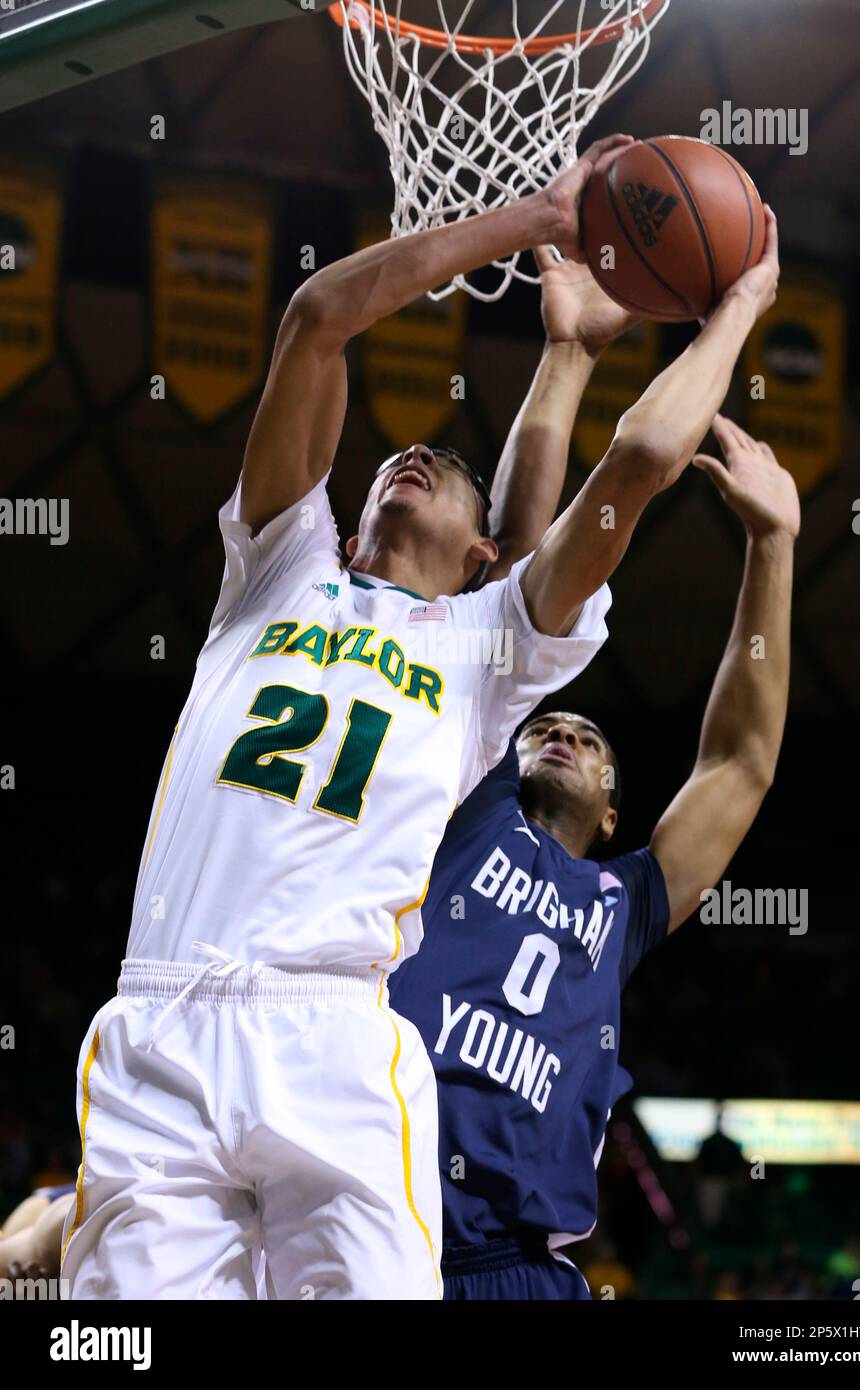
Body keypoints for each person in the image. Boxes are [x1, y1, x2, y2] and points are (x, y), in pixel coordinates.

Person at [59, 133, 718, 1301]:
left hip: (334, 1032)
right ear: (348, 513)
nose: (410, 452)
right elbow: (317, 315)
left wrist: (740, 294)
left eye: (446, 465)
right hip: (161, 1018)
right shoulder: (277, 567)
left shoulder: (481, 645)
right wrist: (536, 218)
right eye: (391, 459)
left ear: (479, 556)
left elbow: (637, 463)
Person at [389, 267, 798, 1296]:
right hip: (373, 1229)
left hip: (522, 1269)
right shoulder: (462, 808)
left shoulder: (620, 904)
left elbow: (738, 763)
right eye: (549, 725)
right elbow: (527, 577)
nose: (562, 729)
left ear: (613, 809)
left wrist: (772, 545)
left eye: (589, 737)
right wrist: (565, 356)